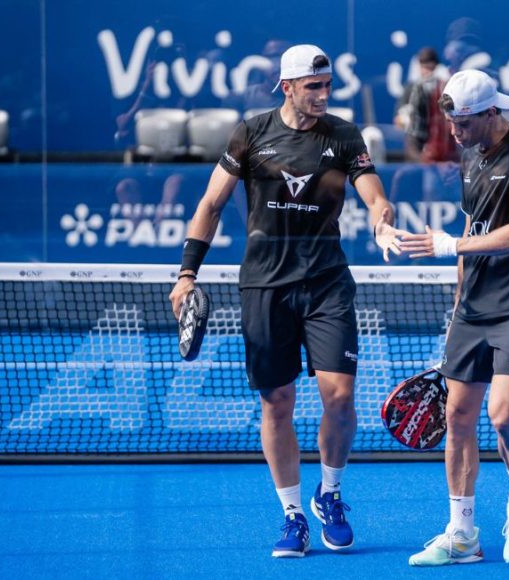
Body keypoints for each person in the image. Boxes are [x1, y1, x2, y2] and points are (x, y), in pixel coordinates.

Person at [167, 44, 403, 558]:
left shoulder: (343, 135)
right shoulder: (250, 134)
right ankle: (293, 514)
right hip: (265, 286)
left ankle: (331, 494)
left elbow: (374, 193)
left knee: (339, 398)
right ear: (287, 87)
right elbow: (210, 203)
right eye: (312, 87)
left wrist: (383, 218)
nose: (322, 95)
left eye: (327, 86)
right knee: (277, 402)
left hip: (325, 283)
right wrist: (187, 274)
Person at [399, 69, 509, 567]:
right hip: (473, 308)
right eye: (452, 123)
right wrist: (459, 296)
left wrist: (451, 245)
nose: (456, 132)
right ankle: (462, 532)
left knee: (503, 415)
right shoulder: (471, 155)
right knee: (458, 417)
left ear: (493, 112)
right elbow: (474, 222)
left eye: (465, 122)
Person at [397, 47, 458, 163]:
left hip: (444, 149)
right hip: (418, 147)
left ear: (436, 67)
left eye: (431, 68)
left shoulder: (446, 86)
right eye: (424, 67)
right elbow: (398, 120)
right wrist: (406, 119)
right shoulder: (413, 88)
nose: (427, 72)